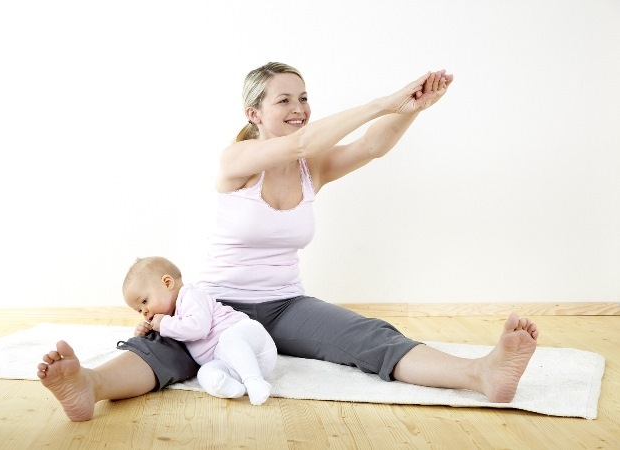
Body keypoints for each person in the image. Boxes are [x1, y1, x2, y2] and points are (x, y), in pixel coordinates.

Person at [37, 62, 539, 422]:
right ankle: (89, 385)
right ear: (254, 114)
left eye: (303, 98)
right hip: (216, 301)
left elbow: (371, 145)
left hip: (286, 304)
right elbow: (302, 140)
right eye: (285, 99)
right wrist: (380, 101)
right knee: (170, 352)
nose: (299, 108)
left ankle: (482, 375)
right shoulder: (234, 161)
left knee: (368, 337)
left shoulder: (310, 168)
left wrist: (411, 108)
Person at [122, 256, 277, 405]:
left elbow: (198, 328)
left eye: (145, 301)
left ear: (167, 283)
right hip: (235, 364)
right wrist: (146, 331)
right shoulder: (171, 318)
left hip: (251, 340)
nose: (144, 312)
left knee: (229, 338)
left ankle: (254, 381)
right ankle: (231, 387)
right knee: (205, 372)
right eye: (139, 310)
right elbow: (173, 331)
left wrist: (164, 324)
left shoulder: (191, 296)